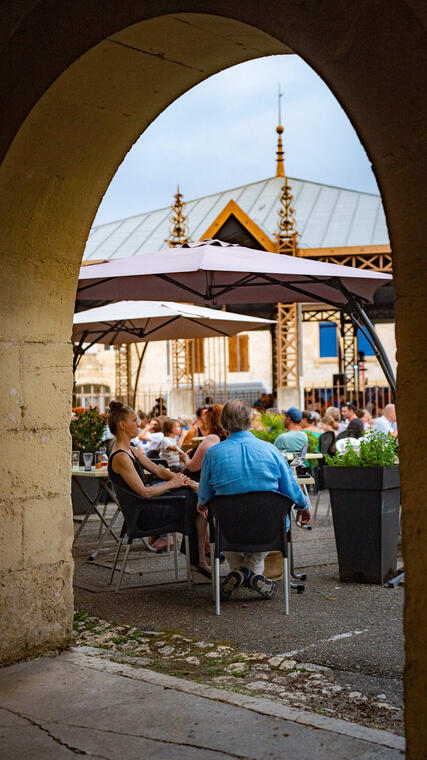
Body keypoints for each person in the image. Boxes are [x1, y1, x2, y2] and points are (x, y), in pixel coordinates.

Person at [198, 399, 310, 601]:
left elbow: (205, 496)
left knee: (214, 517)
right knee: (274, 521)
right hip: (268, 529)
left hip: (229, 529)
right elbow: (291, 488)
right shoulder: (271, 450)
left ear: (223, 424)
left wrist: (202, 503)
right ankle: (250, 575)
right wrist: (304, 505)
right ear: (250, 420)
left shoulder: (212, 454)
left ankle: (240, 574)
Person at [106, 401, 210, 575]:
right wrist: (174, 483)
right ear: (122, 425)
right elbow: (143, 492)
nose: (138, 424)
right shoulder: (121, 457)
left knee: (193, 495)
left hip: (146, 507)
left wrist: (180, 479)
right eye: (134, 420)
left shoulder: (131, 450)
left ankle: (198, 558)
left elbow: (158, 470)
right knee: (194, 500)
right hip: (142, 514)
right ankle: (199, 558)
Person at [180, 405, 225, 482]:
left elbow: (192, 467)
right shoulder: (227, 437)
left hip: (196, 481)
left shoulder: (212, 438)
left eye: (206, 417)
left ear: (211, 421)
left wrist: (185, 457)